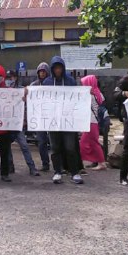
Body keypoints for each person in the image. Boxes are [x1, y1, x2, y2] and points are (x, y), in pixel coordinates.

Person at [43, 56, 83, 185]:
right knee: (55, 148)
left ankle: (74, 172)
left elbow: (77, 98)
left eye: (59, 67)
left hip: (68, 121)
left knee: (70, 147)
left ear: (63, 68)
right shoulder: (47, 82)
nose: (58, 70)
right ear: (52, 69)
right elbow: (41, 99)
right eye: (55, 68)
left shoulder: (71, 81)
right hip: (53, 121)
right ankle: (57, 172)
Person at [5, 69, 39, 177]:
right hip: (7, 124)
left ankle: (32, 167)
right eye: (8, 78)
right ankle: (10, 166)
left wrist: (26, 95)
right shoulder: (2, 91)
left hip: (18, 124)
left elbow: (29, 94)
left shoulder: (20, 89)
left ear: (15, 78)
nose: (9, 80)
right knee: (7, 147)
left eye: (11, 77)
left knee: (24, 146)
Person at [80, 75, 108, 171]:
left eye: (84, 84)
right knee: (93, 143)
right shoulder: (98, 93)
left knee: (84, 143)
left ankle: (98, 162)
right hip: (94, 122)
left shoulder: (90, 95)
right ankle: (101, 162)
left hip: (91, 122)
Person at [30, 62, 51, 171]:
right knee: (41, 142)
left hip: (51, 116)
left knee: (53, 142)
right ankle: (45, 163)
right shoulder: (34, 85)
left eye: (44, 71)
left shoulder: (53, 84)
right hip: (39, 117)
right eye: (40, 71)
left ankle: (59, 164)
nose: (42, 73)